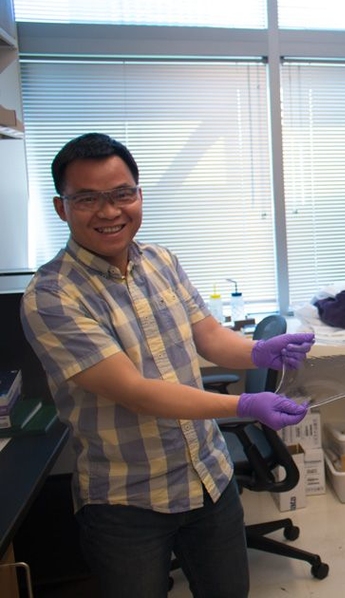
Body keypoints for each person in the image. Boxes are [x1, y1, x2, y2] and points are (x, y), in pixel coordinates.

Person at [20, 132, 314, 598]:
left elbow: (209, 337)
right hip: (127, 499)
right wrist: (243, 405)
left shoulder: (161, 261)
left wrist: (259, 351)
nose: (110, 211)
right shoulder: (52, 295)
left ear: (139, 195)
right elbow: (136, 392)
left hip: (209, 477)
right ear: (62, 208)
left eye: (122, 194)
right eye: (88, 199)